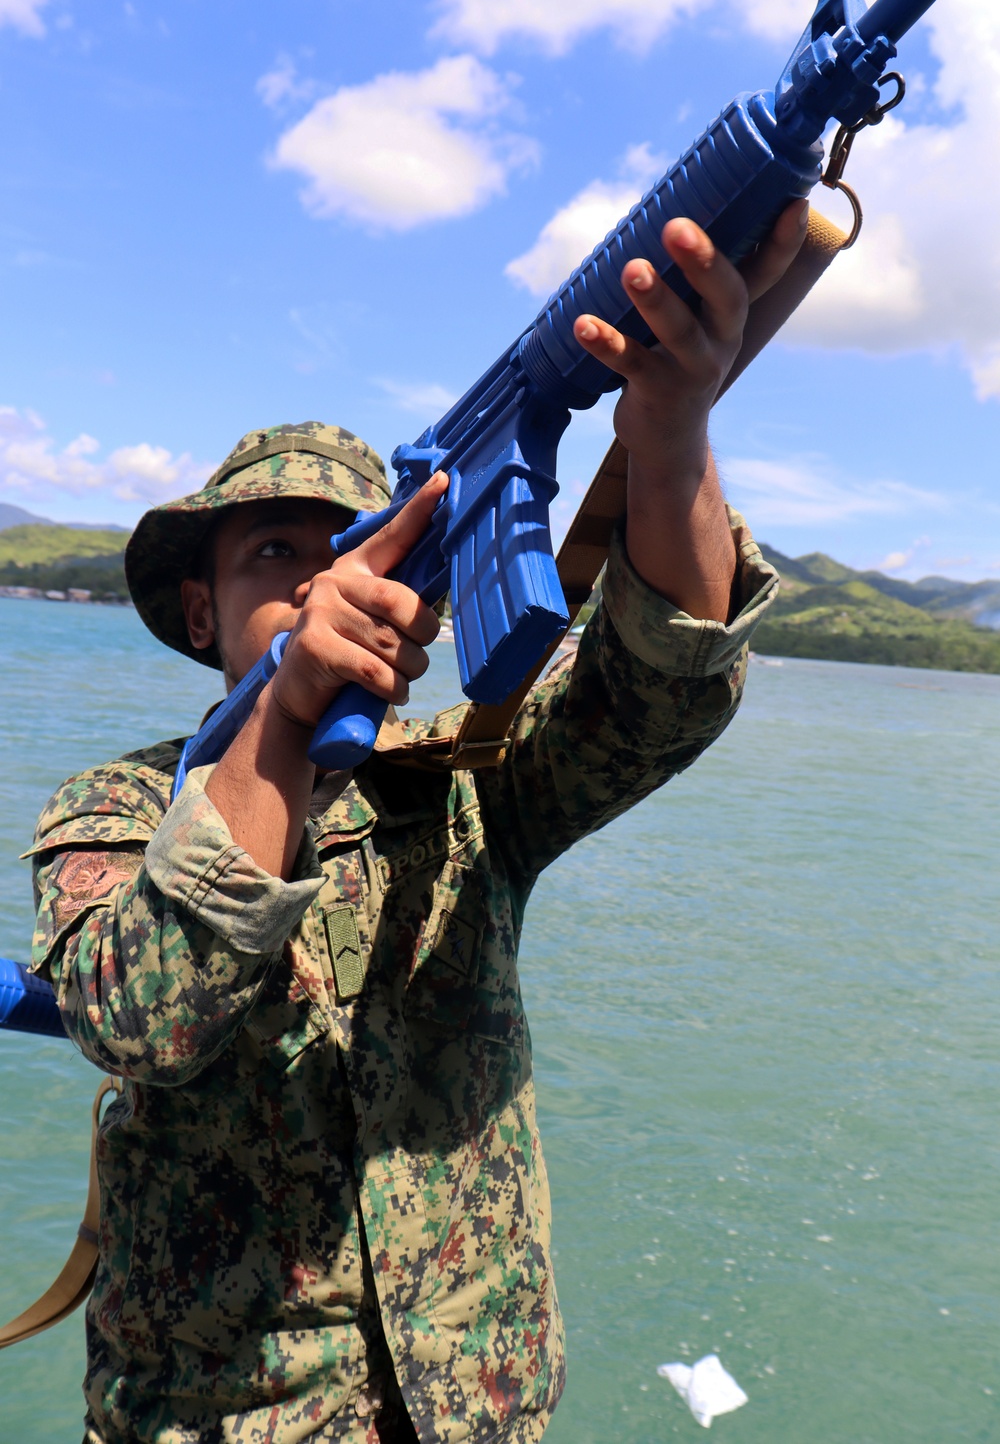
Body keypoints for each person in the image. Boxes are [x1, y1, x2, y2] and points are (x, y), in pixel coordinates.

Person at [27, 206, 806, 1444]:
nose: (319, 580)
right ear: (197, 608)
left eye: (346, 550)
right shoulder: (113, 808)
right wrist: (284, 720)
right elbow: (141, 1020)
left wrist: (670, 435)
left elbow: (656, 693)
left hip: (482, 1409)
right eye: (275, 555)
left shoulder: (462, 784)